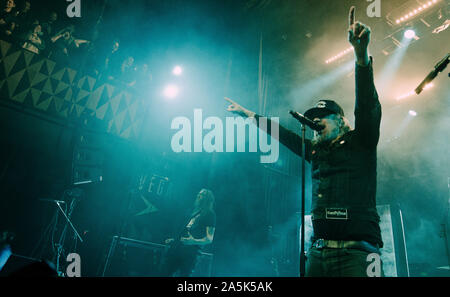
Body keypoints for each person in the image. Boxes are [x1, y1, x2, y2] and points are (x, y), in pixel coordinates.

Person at [225, 7, 383, 277]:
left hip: (358, 253)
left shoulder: (362, 142)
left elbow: (367, 107)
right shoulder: (316, 151)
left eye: (323, 117)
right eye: (313, 118)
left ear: (342, 121)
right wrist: (250, 115)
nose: (316, 122)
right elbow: (284, 135)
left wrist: (360, 56)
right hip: (319, 252)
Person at [161, 189, 216, 277]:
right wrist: (175, 240)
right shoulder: (194, 212)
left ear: (207, 199)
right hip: (177, 249)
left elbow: (209, 239)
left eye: (202, 195)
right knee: (164, 272)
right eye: (198, 194)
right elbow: (185, 230)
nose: (198, 196)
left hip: (190, 253)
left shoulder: (210, 214)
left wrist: (193, 241)